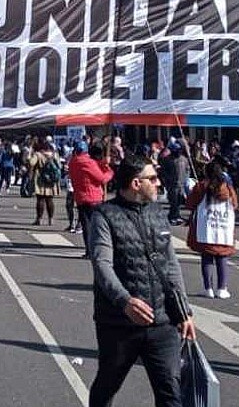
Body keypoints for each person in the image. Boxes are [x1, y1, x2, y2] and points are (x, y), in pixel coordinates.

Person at [87, 156, 195, 407]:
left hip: (162, 320)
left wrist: (184, 311)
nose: (158, 183)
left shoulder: (158, 214)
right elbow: (102, 264)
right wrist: (125, 301)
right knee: (107, 385)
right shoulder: (104, 215)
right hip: (119, 323)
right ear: (136, 183)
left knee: (170, 392)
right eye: (153, 179)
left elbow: (171, 265)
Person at [185, 161, 238, 299]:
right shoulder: (228, 188)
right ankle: (222, 288)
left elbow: (190, 204)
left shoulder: (201, 186)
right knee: (222, 257)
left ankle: (208, 288)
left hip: (205, 227)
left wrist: (191, 191)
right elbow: (235, 204)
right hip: (223, 227)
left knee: (207, 257)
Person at [68, 141, 113, 257]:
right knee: (96, 226)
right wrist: (109, 171)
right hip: (93, 197)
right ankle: (96, 250)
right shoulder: (88, 162)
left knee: (86, 226)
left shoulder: (72, 162)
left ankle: (89, 250)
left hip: (80, 197)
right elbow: (102, 178)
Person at [29, 140, 61, 226]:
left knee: (40, 199)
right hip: (51, 180)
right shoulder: (54, 155)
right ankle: (51, 219)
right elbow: (59, 166)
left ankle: (39, 219)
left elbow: (31, 162)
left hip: (41, 179)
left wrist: (30, 154)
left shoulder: (38, 155)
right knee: (50, 200)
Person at [160, 142, 190, 225]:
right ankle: (174, 216)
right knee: (174, 201)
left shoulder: (184, 159)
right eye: (176, 150)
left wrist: (186, 178)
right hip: (172, 184)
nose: (178, 152)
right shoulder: (167, 159)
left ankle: (174, 215)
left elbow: (188, 169)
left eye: (179, 150)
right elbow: (163, 171)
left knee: (179, 201)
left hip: (181, 184)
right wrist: (167, 179)